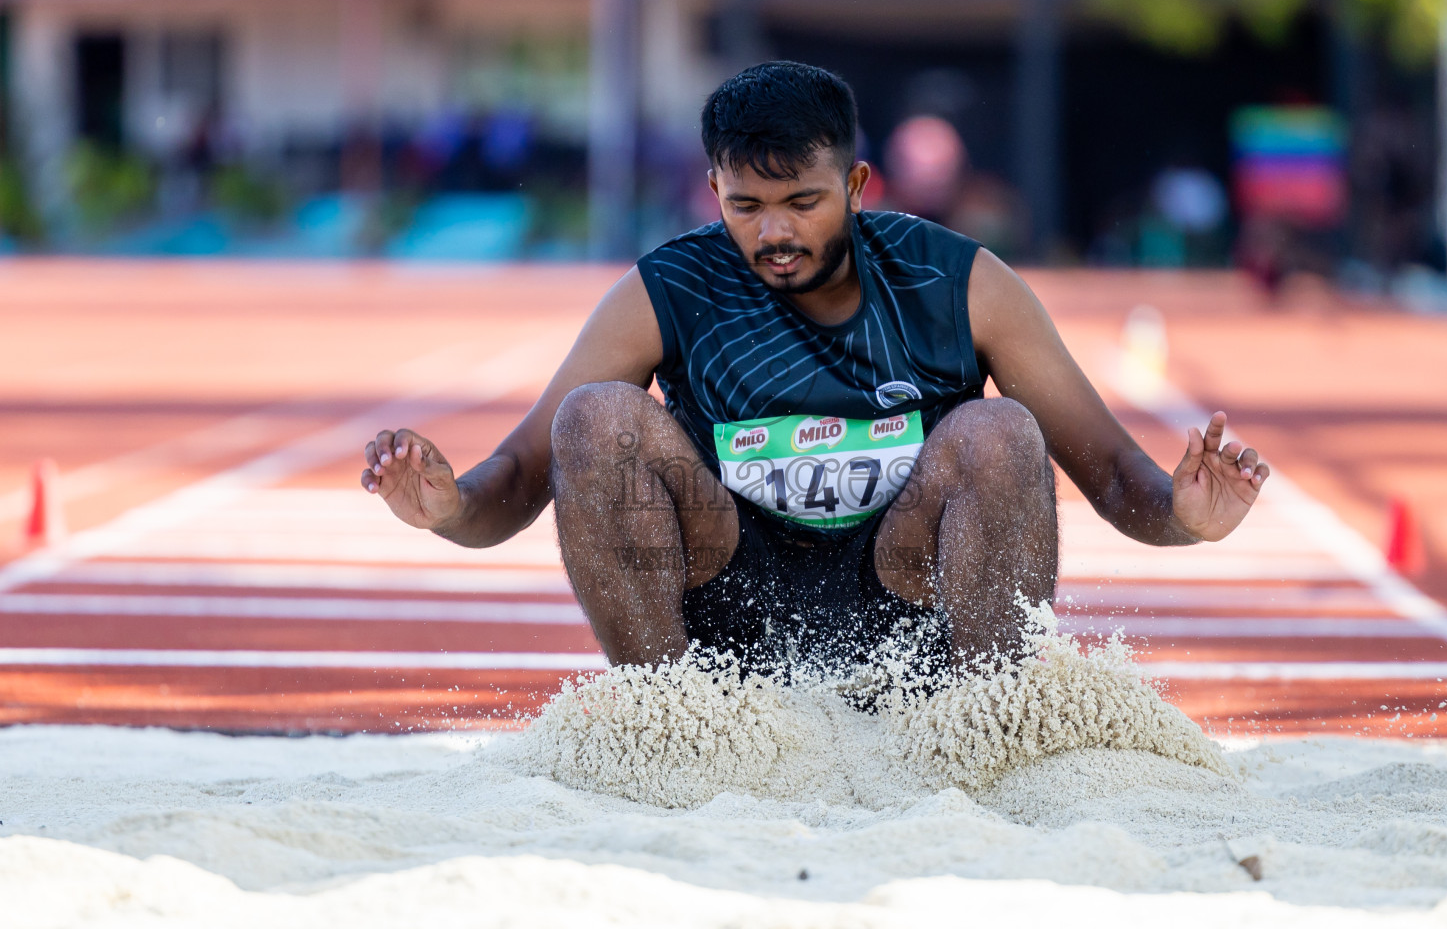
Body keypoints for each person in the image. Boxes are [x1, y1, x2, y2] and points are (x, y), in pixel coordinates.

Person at [361, 61, 1269, 674]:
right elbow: (521, 475)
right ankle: (668, 724)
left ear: (858, 187)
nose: (777, 232)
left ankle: (996, 725)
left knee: (1000, 430)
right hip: (733, 620)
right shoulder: (670, 286)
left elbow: (1111, 472)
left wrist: (1186, 518)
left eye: (803, 201)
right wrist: (449, 508)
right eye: (747, 205)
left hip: (908, 614)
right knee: (593, 418)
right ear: (714, 191)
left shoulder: (961, 283)